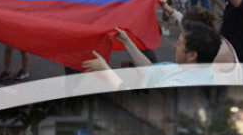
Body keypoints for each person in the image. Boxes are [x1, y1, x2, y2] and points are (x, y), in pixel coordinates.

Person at [82, 22, 221, 90]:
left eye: (179, 44)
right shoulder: (198, 70)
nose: (175, 46)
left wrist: (106, 71)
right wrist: (126, 41)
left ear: (192, 55)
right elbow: (150, 71)